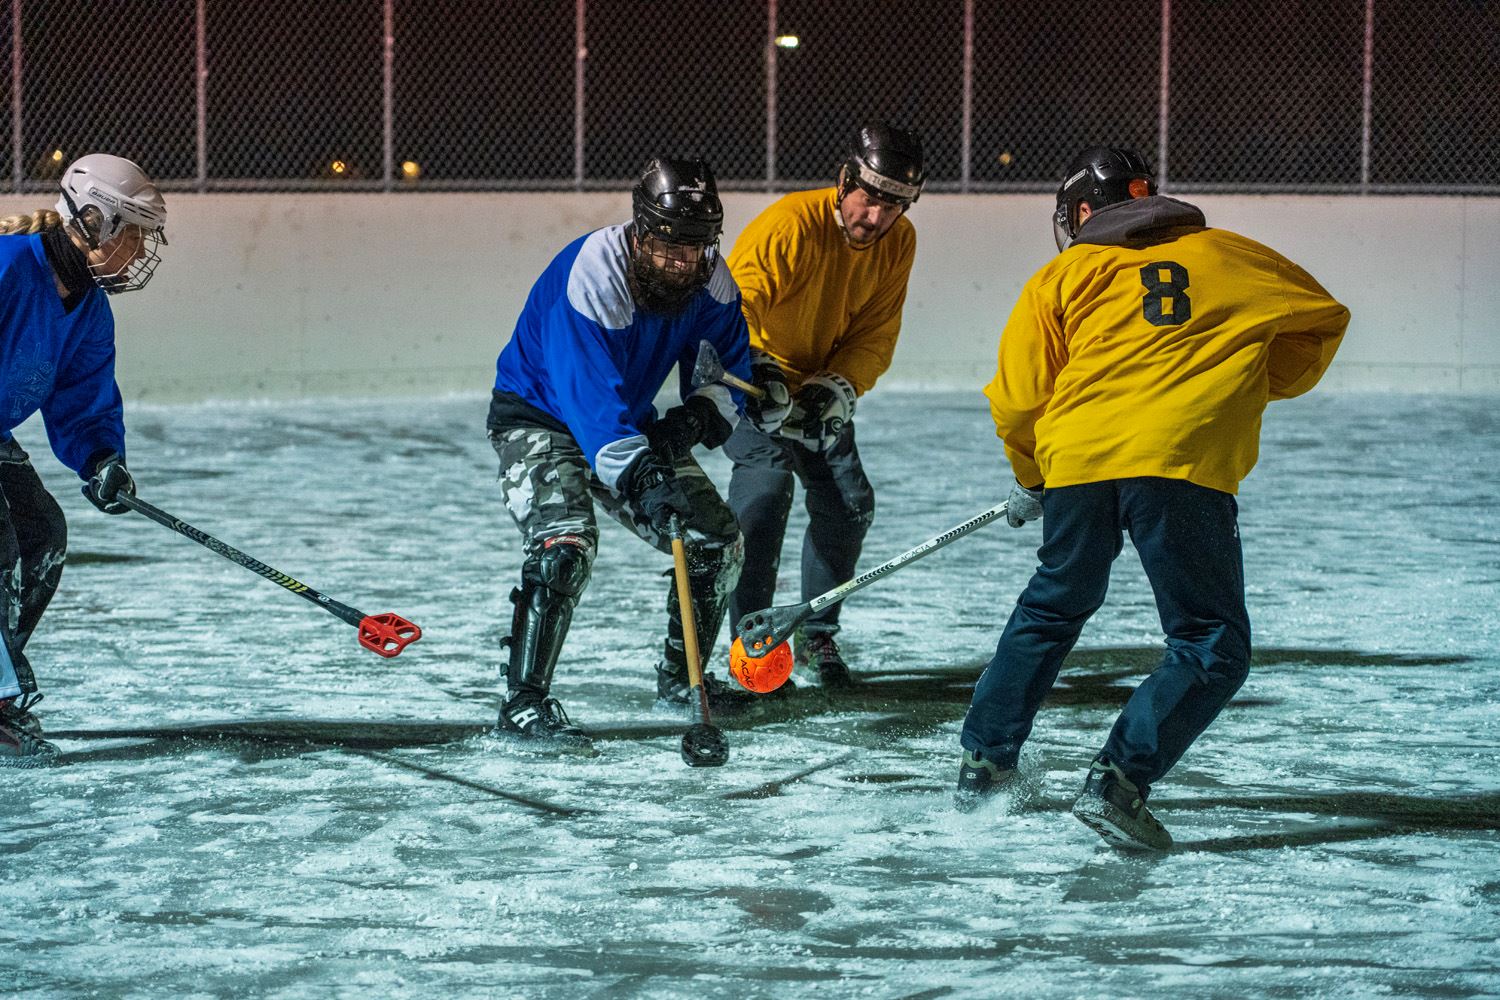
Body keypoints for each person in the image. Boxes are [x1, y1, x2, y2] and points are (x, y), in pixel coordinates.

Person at [954, 146, 1349, 850]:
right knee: (1210, 641)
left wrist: (1033, 471)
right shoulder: (1232, 253)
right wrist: (1243, 377)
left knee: (1054, 604)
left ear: (1080, 212)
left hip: (1078, 455)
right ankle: (1118, 779)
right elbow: (1324, 318)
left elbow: (1017, 399)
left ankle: (984, 763)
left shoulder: (1064, 270)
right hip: (1182, 458)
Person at [486, 157, 754, 751]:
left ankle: (683, 679)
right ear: (639, 231)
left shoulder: (710, 280)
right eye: (666, 244)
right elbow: (587, 401)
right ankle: (523, 704)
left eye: (696, 245)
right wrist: (644, 476)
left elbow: (728, 366)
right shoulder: (593, 274)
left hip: (625, 426)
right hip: (541, 418)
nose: (681, 260)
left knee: (715, 540)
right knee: (565, 547)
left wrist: (701, 414)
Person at [723, 122, 923, 688]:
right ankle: (753, 647)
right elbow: (735, 309)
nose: (877, 218)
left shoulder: (898, 243)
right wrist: (756, 369)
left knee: (848, 503)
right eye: (871, 199)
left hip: (813, 387)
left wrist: (842, 385)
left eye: (896, 206)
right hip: (748, 382)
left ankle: (815, 636)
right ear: (844, 181)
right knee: (765, 493)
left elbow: (876, 330)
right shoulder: (789, 224)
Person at [0, 154, 168, 767]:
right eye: (135, 232)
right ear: (94, 221)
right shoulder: (11, 265)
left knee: (42, 534)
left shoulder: (90, 308)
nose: (141, 250)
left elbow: (82, 398)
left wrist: (100, 457)